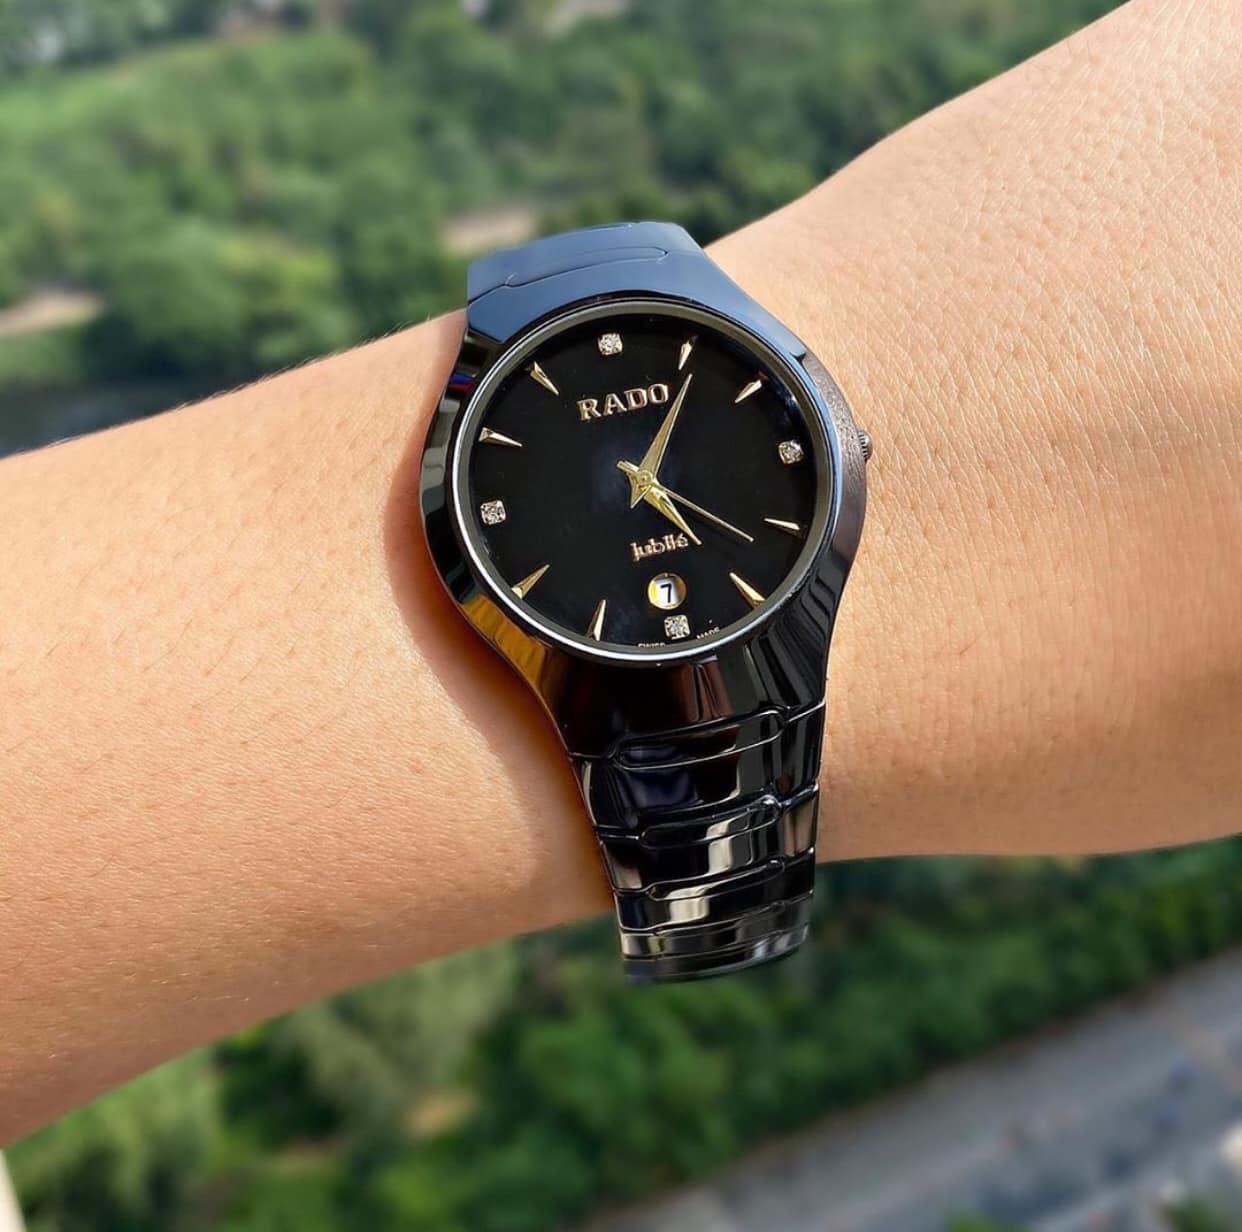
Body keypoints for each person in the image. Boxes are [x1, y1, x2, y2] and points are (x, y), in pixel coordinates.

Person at [0, 0, 1237, 1146]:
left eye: (656, 469)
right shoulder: (478, 522)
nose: (646, 489)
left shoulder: (795, 459)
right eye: (640, 479)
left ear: (839, 447)